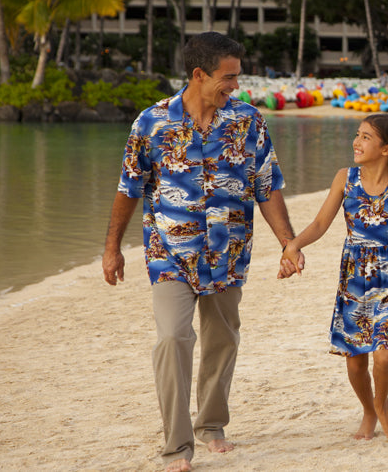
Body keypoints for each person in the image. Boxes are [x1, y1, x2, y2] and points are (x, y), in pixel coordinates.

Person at [102, 32, 296, 472]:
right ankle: (177, 446)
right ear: (198, 74)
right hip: (169, 254)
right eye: (228, 78)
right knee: (173, 338)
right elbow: (128, 189)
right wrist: (112, 248)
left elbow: (267, 186)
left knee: (222, 340)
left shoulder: (248, 121)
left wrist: (289, 242)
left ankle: (211, 424)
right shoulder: (151, 123)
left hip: (228, 254)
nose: (235, 86)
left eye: (237, 78)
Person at [277, 114, 388, 439]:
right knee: (355, 361)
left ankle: (381, 405)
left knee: (384, 353)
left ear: (387, 148)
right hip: (354, 279)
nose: (356, 142)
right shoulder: (345, 178)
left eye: (366, 137)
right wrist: (293, 245)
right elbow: (319, 224)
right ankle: (368, 410)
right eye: (358, 134)